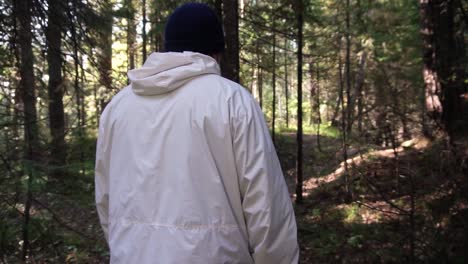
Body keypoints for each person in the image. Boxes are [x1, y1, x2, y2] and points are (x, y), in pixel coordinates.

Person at [95, 3, 298, 264]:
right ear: (217, 52)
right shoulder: (231, 101)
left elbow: (105, 199)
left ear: (168, 46)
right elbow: (266, 207)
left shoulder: (118, 108)